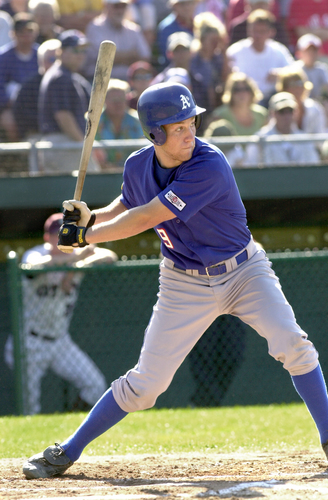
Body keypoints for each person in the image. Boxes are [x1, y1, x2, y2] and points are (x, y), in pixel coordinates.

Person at [23, 82, 328, 479]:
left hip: (243, 271)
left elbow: (148, 216)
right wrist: (90, 218)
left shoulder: (208, 163)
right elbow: (129, 203)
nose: (189, 133)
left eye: (191, 123)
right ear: (155, 134)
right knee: (146, 385)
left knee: (294, 345)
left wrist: (84, 238)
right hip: (184, 281)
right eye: (177, 127)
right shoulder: (137, 164)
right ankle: (68, 450)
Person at [5, 213, 117, 415]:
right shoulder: (36, 254)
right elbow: (32, 268)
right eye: (57, 235)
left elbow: (110, 256)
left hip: (60, 342)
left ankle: (72, 424)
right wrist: (75, 258)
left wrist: (75, 267)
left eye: (64, 234)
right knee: (30, 409)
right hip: (29, 342)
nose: (60, 240)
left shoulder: (78, 256)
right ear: (47, 237)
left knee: (95, 385)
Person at [37, 29, 100, 173]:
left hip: (67, 142)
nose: (81, 55)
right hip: (63, 143)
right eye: (75, 50)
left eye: (83, 51)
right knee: (89, 185)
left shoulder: (70, 76)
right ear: (61, 52)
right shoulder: (60, 77)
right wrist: (84, 145)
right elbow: (63, 116)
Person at [226, 8, 294, 107]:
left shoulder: (279, 50)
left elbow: (294, 71)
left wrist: (280, 74)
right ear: (248, 30)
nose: (257, 35)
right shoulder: (235, 51)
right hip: (245, 103)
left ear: (271, 32)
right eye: (254, 31)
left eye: (262, 31)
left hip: (273, 102)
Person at [244, 91, 321, 166]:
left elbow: (313, 165)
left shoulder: (305, 140)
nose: (287, 116)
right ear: (272, 113)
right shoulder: (259, 139)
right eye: (282, 111)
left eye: (290, 111)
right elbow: (251, 166)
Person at [83, 0, 151, 83]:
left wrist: (115, 57)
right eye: (116, 6)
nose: (120, 10)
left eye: (123, 6)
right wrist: (131, 56)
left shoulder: (133, 29)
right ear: (106, 6)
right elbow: (102, 59)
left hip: (130, 82)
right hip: (101, 82)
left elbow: (145, 58)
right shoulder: (95, 28)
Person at [0, 12, 39, 141]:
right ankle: (18, 158)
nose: (26, 34)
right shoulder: (3, 57)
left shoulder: (40, 55)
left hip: (36, 105)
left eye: (30, 30)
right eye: (21, 31)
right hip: (10, 107)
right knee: (10, 123)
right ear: (13, 33)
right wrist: (6, 105)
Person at [13, 38, 60, 142]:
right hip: (38, 134)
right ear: (41, 61)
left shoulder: (71, 81)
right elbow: (21, 114)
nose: (56, 64)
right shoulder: (29, 85)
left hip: (66, 134)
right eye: (52, 60)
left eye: (59, 59)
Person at [94, 79, 144, 170]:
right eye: (114, 100)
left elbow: (143, 151)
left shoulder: (138, 121)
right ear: (104, 100)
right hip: (100, 173)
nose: (118, 104)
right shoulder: (93, 121)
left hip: (133, 171)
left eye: (121, 99)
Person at [189, 12, 229, 116]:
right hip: (198, 102)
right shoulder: (193, 60)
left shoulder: (219, 59)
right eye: (212, 41)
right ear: (202, 40)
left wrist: (224, 54)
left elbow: (225, 78)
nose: (216, 44)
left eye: (218, 40)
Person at [275, 65, 326, 136]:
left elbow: (320, 134)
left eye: (300, 83)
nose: (297, 88)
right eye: (292, 84)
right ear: (284, 88)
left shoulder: (314, 108)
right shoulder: (277, 109)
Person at [156, 0, 197, 68]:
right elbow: (168, 57)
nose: (187, 7)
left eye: (190, 3)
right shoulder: (166, 28)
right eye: (182, 4)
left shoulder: (200, 24)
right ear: (174, 6)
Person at [295, 34, 328, 100]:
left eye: (314, 50)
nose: (311, 54)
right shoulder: (295, 69)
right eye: (308, 51)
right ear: (300, 52)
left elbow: (325, 89)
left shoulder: (322, 69)